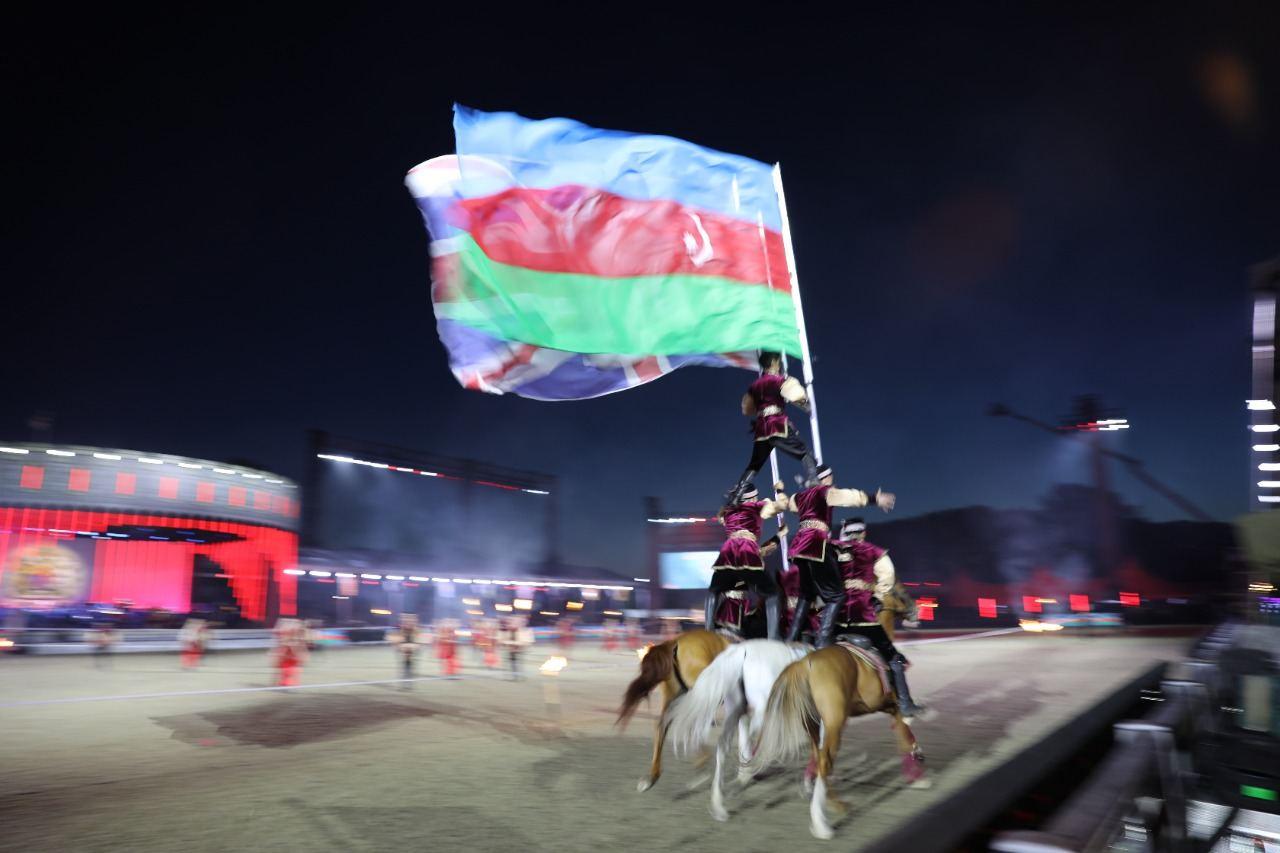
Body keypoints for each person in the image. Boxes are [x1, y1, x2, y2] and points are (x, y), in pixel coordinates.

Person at [786, 465, 895, 648]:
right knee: (836, 596)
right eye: (830, 477)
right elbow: (849, 497)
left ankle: (791, 638)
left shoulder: (800, 497)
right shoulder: (826, 491)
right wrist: (875, 498)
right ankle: (822, 642)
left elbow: (788, 505)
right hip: (815, 545)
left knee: (807, 594)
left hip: (798, 548)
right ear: (826, 478)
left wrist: (792, 491)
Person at [830, 517, 925, 717]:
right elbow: (888, 578)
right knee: (894, 659)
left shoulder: (833, 549)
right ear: (863, 533)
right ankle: (905, 704)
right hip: (863, 619)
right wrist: (876, 595)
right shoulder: (875, 552)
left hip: (835, 619)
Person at [705, 481, 789, 639]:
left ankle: (707, 630)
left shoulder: (727, 512)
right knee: (772, 594)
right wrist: (779, 490)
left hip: (728, 552)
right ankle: (773, 637)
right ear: (752, 497)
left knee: (713, 591)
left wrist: (778, 536)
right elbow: (783, 505)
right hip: (746, 551)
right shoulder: (756, 506)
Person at [729, 351, 817, 502]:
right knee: (805, 452)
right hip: (777, 425)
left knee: (754, 465)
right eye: (778, 361)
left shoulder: (755, 385)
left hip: (761, 429)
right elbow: (796, 396)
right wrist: (807, 406)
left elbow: (747, 409)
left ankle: (737, 495)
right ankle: (814, 481)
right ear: (774, 363)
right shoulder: (779, 380)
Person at [499, 616, 534, 680]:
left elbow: (527, 641)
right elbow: (502, 640)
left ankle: (517, 675)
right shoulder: (509, 631)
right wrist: (509, 644)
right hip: (511, 650)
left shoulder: (525, 631)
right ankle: (513, 675)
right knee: (512, 662)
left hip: (520, 649)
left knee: (517, 663)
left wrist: (513, 644)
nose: (510, 624)